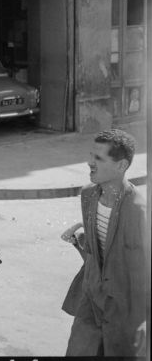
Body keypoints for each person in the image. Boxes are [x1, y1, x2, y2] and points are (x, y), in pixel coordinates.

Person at [63, 128, 146, 357]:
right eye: (91, 155)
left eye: (99, 158)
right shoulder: (88, 195)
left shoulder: (139, 210)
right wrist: (80, 239)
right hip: (90, 300)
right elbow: (99, 252)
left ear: (121, 166)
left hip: (122, 309)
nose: (90, 162)